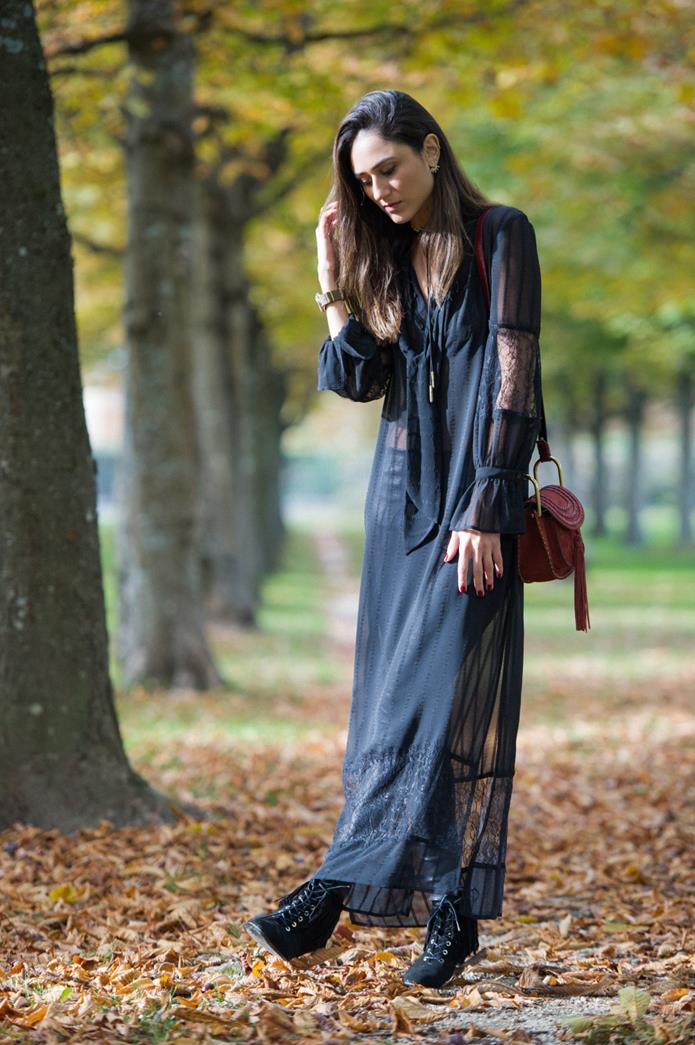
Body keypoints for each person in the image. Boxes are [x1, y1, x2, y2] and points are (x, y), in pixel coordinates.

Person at [244, 89, 544, 989]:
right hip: (397, 515)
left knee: (430, 705)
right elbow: (355, 380)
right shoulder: (385, 257)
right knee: (399, 714)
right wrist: (334, 278)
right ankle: (449, 921)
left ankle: (328, 893)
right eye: (364, 179)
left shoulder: (501, 234)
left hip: (468, 509)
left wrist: (486, 506)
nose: (380, 189)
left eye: (390, 169)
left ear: (432, 150)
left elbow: (513, 373)